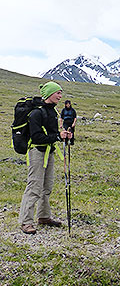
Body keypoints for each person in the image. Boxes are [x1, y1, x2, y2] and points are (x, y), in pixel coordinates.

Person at [19, 82, 72, 235]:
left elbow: (52, 133)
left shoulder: (53, 111)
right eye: (58, 93)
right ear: (49, 94)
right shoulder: (37, 113)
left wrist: (63, 135)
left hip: (49, 151)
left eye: (61, 93)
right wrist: (57, 136)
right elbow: (36, 136)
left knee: (47, 186)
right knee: (34, 187)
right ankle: (25, 222)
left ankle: (43, 217)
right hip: (37, 152)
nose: (60, 96)